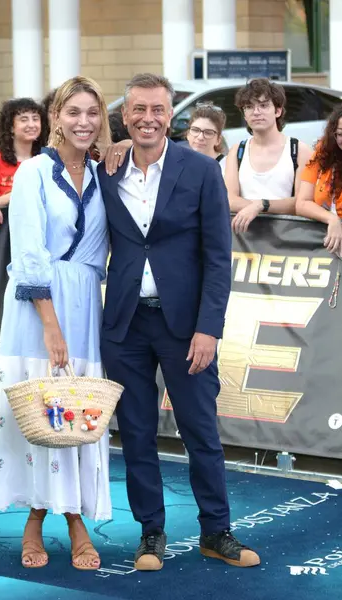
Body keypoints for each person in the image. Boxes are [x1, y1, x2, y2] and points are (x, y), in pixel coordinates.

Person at [98, 73, 260, 570]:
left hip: (186, 327)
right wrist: (111, 147)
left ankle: (217, 531)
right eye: (138, 110)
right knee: (138, 433)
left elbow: (218, 256)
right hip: (125, 325)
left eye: (158, 110)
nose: (148, 118)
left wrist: (209, 328)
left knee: (200, 433)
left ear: (173, 116)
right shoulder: (107, 168)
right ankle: (151, 533)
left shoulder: (201, 169)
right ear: (125, 116)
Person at [0, 76, 112, 571]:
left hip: (86, 305)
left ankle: (74, 515)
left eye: (93, 113)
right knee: (39, 415)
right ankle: (38, 520)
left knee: (78, 414)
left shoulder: (106, 172)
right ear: (56, 116)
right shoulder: (34, 171)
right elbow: (29, 249)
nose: (84, 122)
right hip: (39, 309)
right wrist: (50, 323)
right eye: (74, 112)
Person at [225, 78, 312, 233]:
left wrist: (262, 205)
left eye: (264, 105)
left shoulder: (299, 150)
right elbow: (230, 199)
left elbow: (302, 203)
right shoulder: (237, 150)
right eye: (249, 107)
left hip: (289, 239)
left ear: (278, 111)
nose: (256, 112)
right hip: (245, 241)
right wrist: (256, 207)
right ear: (244, 115)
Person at [0, 98, 47, 200]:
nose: (31, 125)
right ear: (11, 127)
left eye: (35, 119)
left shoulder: (46, 161)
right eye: (24, 120)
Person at [296, 105, 342, 256]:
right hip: (324, 243)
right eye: (340, 134)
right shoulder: (323, 151)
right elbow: (302, 203)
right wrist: (332, 220)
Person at [186, 103, 227, 172]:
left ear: (218, 140)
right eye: (195, 130)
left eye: (208, 132)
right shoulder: (181, 163)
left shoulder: (227, 167)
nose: (200, 137)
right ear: (188, 134)